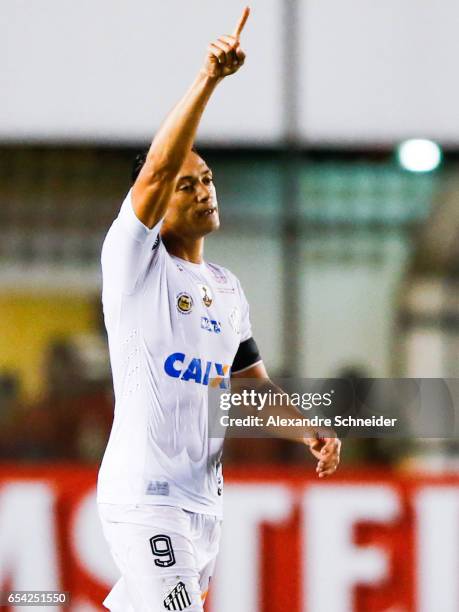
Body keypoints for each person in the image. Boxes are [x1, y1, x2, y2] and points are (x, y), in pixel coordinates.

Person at [97, 8, 341, 611]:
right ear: (157, 201)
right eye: (187, 185)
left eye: (206, 178)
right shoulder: (133, 264)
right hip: (144, 499)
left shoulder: (227, 289)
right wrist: (209, 79)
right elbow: (155, 167)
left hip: (203, 506)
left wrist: (307, 429)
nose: (204, 189)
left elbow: (250, 389)